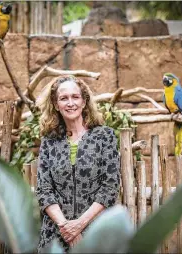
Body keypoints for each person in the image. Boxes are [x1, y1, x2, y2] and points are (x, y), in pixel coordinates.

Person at [35, 75, 120, 252]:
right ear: (56, 105)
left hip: (96, 233)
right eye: (63, 98)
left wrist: (79, 225)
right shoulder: (49, 141)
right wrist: (66, 227)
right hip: (55, 236)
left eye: (75, 97)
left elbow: (110, 187)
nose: (70, 103)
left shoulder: (105, 137)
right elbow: (44, 190)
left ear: (84, 101)